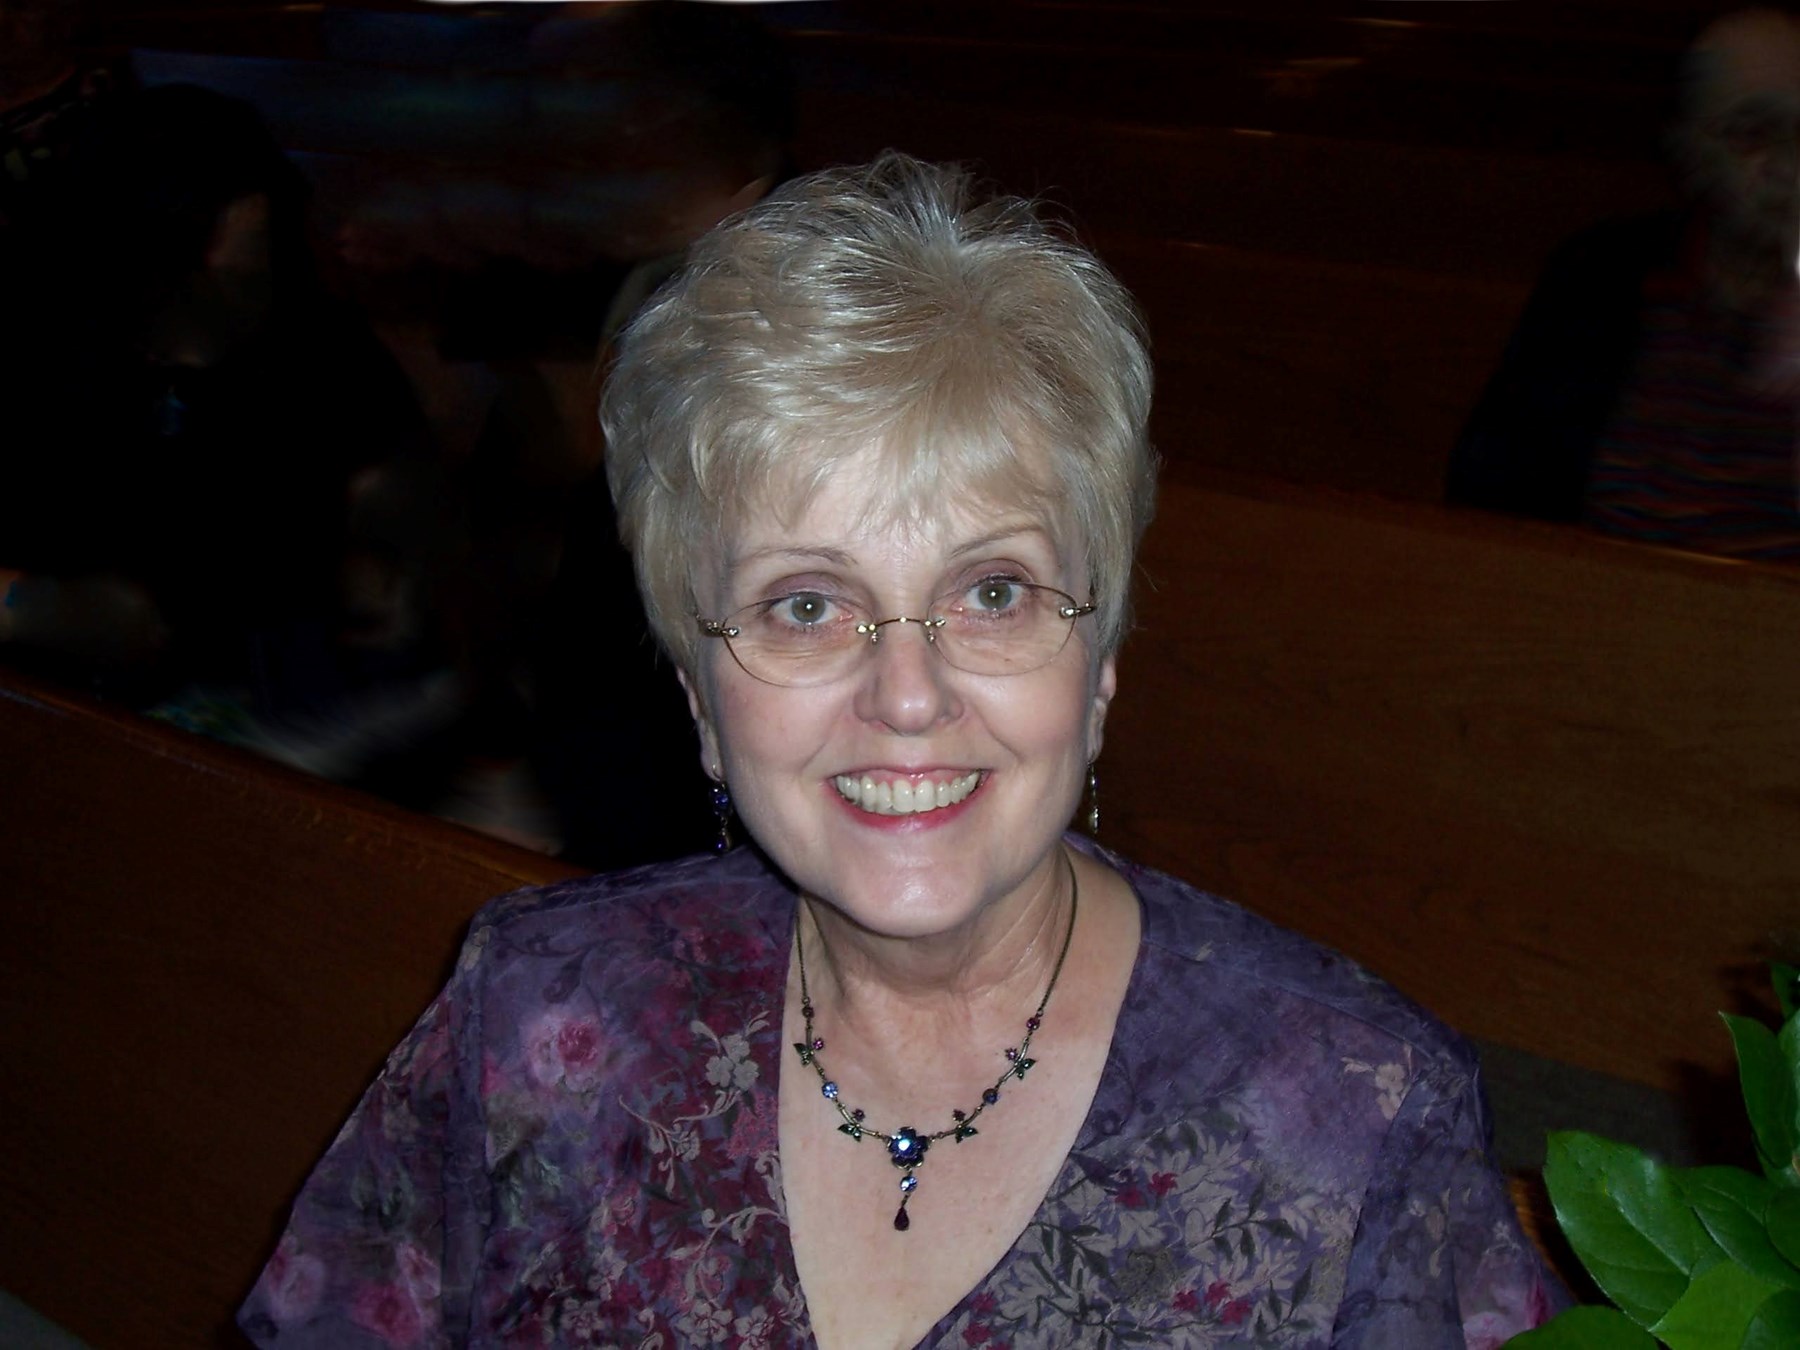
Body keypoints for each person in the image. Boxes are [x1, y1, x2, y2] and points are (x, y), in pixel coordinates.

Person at [241, 153, 1562, 1347]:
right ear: (701, 694)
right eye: (805, 606)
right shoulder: (533, 1012)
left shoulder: (1359, 1116)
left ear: (1100, 664)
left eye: (993, 590)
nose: (909, 695)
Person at [1449, 9, 1800, 562]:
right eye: (1754, 134)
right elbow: (1492, 493)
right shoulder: (1599, 278)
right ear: (1690, 150)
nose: (1789, 166)